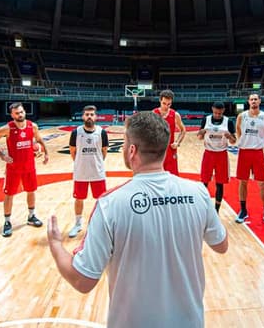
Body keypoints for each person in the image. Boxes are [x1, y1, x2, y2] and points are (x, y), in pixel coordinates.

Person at [47, 111, 228, 328]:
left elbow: (82, 280)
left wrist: (56, 245)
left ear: (132, 150)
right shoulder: (198, 192)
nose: (123, 147)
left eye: (125, 142)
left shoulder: (110, 204)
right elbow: (221, 245)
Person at [0, 102, 48, 237]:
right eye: (17, 113)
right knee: (9, 194)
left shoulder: (32, 126)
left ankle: (31, 216)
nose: (20, 114)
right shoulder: (7, 129)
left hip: (29, 166)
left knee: (31, 191)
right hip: (13, 168)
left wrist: (45, 152)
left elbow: (39, 140)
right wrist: (2, 155)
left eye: (22, 112)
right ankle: (7, 222)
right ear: (12, 115)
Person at [234, 93, 264, 227]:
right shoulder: (242, 116)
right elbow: (238, 131)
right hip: (244, 152)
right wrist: (246, 142)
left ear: (259, 101)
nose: (253, 101)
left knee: (263, 184)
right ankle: (243, 210)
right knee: (243, 182)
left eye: (255, 99)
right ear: (248, 101)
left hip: (258, 152)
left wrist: (260, 144)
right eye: (251, 99)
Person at [68, 105, 108, 238]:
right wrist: (81, 162)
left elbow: (104, 152)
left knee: (100, 199)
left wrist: (95, 162)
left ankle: (100, 224)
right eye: (87, 114)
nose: (89, 116)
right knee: (79, 199)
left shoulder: (102, 132)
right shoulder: (76, 132)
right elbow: (73, 152)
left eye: (91, 114)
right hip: (81, 172)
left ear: (96, 116)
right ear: (83, 116)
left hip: (98, 172)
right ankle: (78, 224)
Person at [197, 101, 236, 212]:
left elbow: (233, 142)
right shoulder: (206, 120)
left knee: (220, 183)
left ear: (223, 111)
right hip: (208, 153)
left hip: (221, 154)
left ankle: (216, 210)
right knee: (204, 181)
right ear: (212, 109)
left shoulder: (228, 122)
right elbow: (199, 137)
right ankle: (202, 208)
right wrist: (202, 132)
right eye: (216, 113)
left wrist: (230, 136)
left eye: (220, 113)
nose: (218, 115)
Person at [153, 89, 186, 175]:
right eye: (164, 103)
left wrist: (177, 142)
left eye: (169, 104)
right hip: (157, 150)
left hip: (170, 149)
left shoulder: (175, 115)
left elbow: (183, 130)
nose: (166, 106)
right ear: (160, 100)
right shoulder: (154, 114)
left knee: (172, 177)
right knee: (156, 176)